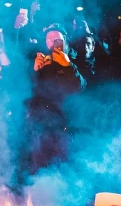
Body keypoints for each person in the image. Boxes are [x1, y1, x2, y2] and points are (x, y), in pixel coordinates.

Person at [24, 24, 86, 175]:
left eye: (57, 39)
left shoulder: (77, 58)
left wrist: (68, 66)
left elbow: (81, 87)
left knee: (62, 169)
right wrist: (35, 71)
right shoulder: (42, 60)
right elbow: (30, 91)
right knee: (38, 169)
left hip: (66, 126)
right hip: (40, 125)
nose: (53, 43)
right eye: (49, 40)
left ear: (65, 40)